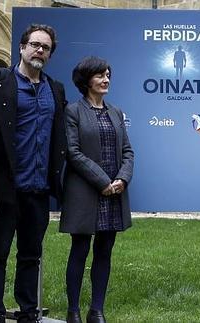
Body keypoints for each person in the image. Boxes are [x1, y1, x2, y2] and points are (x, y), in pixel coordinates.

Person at [0, 24, 67, 323]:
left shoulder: (55, 89)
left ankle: (29, 312)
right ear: (21, 47)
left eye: (46, 47)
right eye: (35, 44)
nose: (39, 50)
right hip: (5, 187)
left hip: (38, 190)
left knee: (31, 255)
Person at [60, 56, 134, 323]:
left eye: (108, 75)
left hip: (114, 193)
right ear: (86, 80)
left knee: (105, 251)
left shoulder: (115, 112)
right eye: (100, 75)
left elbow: (127, 151)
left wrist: (122, 180)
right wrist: (103, 181)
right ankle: (74, 311)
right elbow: (73, 152)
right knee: (79, 250)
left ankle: (96, 310)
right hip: (86, 192)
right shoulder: (73, 111)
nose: (106, 80)